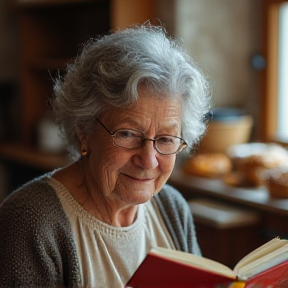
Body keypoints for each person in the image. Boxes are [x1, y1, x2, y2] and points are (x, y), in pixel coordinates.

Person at [0, 24, 210, 287]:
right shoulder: (31, 220)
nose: (148, 160)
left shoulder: (172, 208)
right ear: (84, 130)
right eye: (128, 134)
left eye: (166, 139)